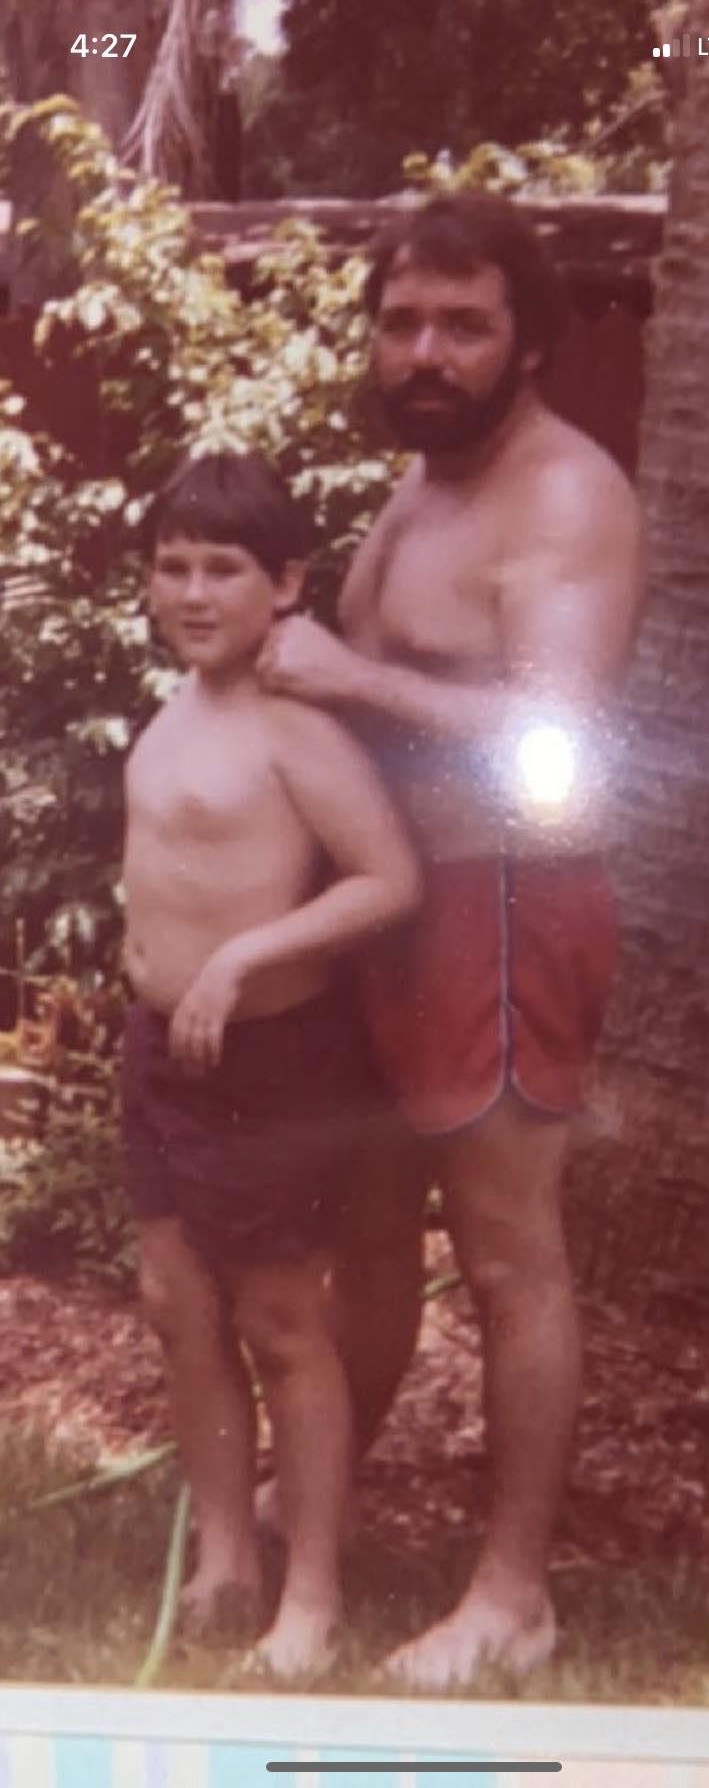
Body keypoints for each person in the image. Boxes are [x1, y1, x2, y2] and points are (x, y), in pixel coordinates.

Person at [256, 192, 645, 1688]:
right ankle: (316, 1503)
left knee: (505, 1256)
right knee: (366, 1242)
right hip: (393, 919)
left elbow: (565, 734)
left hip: (502, 906)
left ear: (529, 342)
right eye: (403, 321)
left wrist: (353, 680)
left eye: (464, 324)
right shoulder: (421, 486)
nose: (427, 352)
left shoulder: (561, 497)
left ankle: (512, 1596)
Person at [121, 452, 421, 1676]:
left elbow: (389, 879)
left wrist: (244, 954)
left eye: (224, 569)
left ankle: (312, 1600)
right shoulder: (173, 711)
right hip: (160, 1049)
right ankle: (229, 1555)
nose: (194, 593)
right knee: (180, 1305)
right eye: (173, 566)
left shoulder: (299, 730)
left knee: (282, 1318)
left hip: (269, 1059)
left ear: (286, 584)